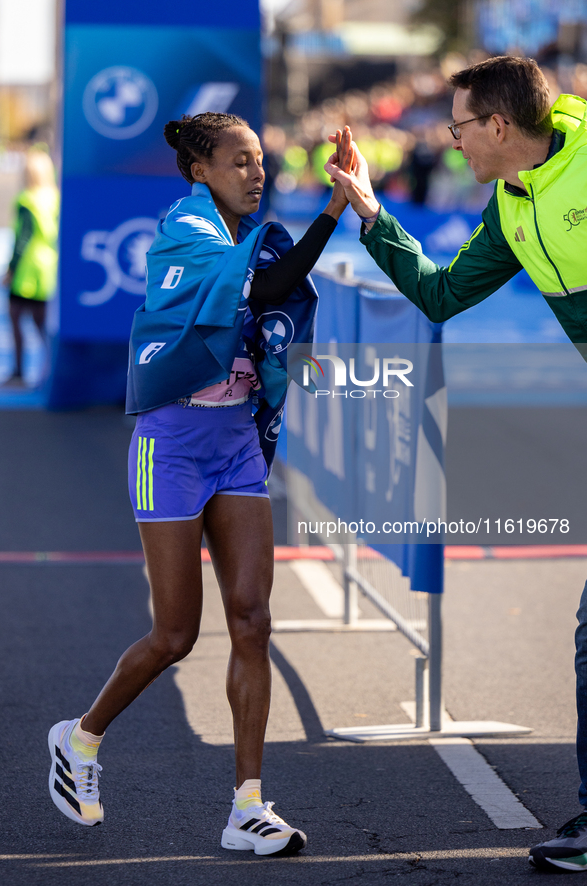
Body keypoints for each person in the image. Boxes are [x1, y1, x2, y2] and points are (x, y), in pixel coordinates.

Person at [48, 112, 352, 856]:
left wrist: (331, 211)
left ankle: (248, 805)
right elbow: (266, 284)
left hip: (236, 444)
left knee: (252, 621)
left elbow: (274, 283)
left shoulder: (248, 234)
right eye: (239, 162)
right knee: (176, 634)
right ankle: (80, 741)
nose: (256, 173)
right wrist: (333, 210)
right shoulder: (185, 232)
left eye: (259, 160)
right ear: (199, 172)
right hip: (173, 447)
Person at [325, 55, 587, 874]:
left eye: (460, 126)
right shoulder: (510, 204)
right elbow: (440, 294)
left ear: (499, 127)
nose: (452, 141)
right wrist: (369, 212)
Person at [2, 146, 59, 387]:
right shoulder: (55, 198)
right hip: (48, 266)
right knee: (42, 323)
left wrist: (11, 268)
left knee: (15, 318)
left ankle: (18, 371)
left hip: (27, 268)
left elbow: (22, 238)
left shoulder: (27, 200)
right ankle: (51, 368)